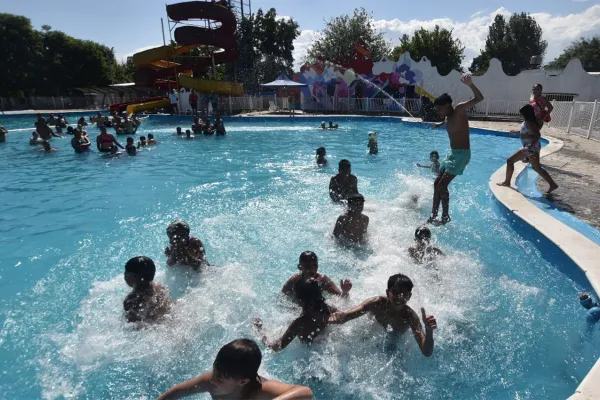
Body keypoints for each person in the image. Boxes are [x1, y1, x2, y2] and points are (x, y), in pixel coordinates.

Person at [156, 339, 313, 400]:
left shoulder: (258, 391)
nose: (212, 379)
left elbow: (305, 392)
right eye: (214, 372)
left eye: (220, 378)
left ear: (243, 381)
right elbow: (176, 392)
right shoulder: (210, 381)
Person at [329, 274, 437, 357]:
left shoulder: (410, 317)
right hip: (373, 331)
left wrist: (429, 331)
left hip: (396, 340)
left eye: (405, 294)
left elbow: (426, 352)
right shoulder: (376, 303)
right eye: (396, 292)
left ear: (410, 296)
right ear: (387, 292)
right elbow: (348, 315)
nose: (400, 297)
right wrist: (339, 316)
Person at [429, 74, 484, 225]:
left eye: (440, 109)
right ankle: (433, 214)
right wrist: (440, 124)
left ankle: (445, 216)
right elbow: (448, 121)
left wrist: (470, 84)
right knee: (436, 184)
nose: (438, 112)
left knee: (442, 185)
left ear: (447, 105)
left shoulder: (459, 110)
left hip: (462, 155)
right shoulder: (447, 117)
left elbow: (479, 98)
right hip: (452, 154)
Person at [255, 278, 334, 351]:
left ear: (299, 300)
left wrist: (260, 331)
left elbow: (277, 347)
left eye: (295, 294)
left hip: (307, 354)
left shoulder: (300, 323)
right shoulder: (327, 309)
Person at [496, 104, 558, 194]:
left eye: (521, 114)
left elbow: (537, 135)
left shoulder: (529, 122)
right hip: (532, 147)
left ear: (526, 114)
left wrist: (529, 145)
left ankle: (507, 182)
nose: (520, 115)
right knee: (537, 168)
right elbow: (527, 132)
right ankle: (552, 184)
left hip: (531, 148)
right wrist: (515, 132)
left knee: (510, 161)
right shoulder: (527, 122)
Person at [281, 251, 352, 300]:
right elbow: (281, 297)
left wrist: (345, 291)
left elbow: (342, 299)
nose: (312, 269)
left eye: (315, 265)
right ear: (300, 267)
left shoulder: (323, 280)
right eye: (308, 266)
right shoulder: (294, 280)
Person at [123, 256, 172, 323]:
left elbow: (132, 326)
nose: (124, 275)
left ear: (133, 278)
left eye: (125, 273)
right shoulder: (160, 288)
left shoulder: (131, 300)